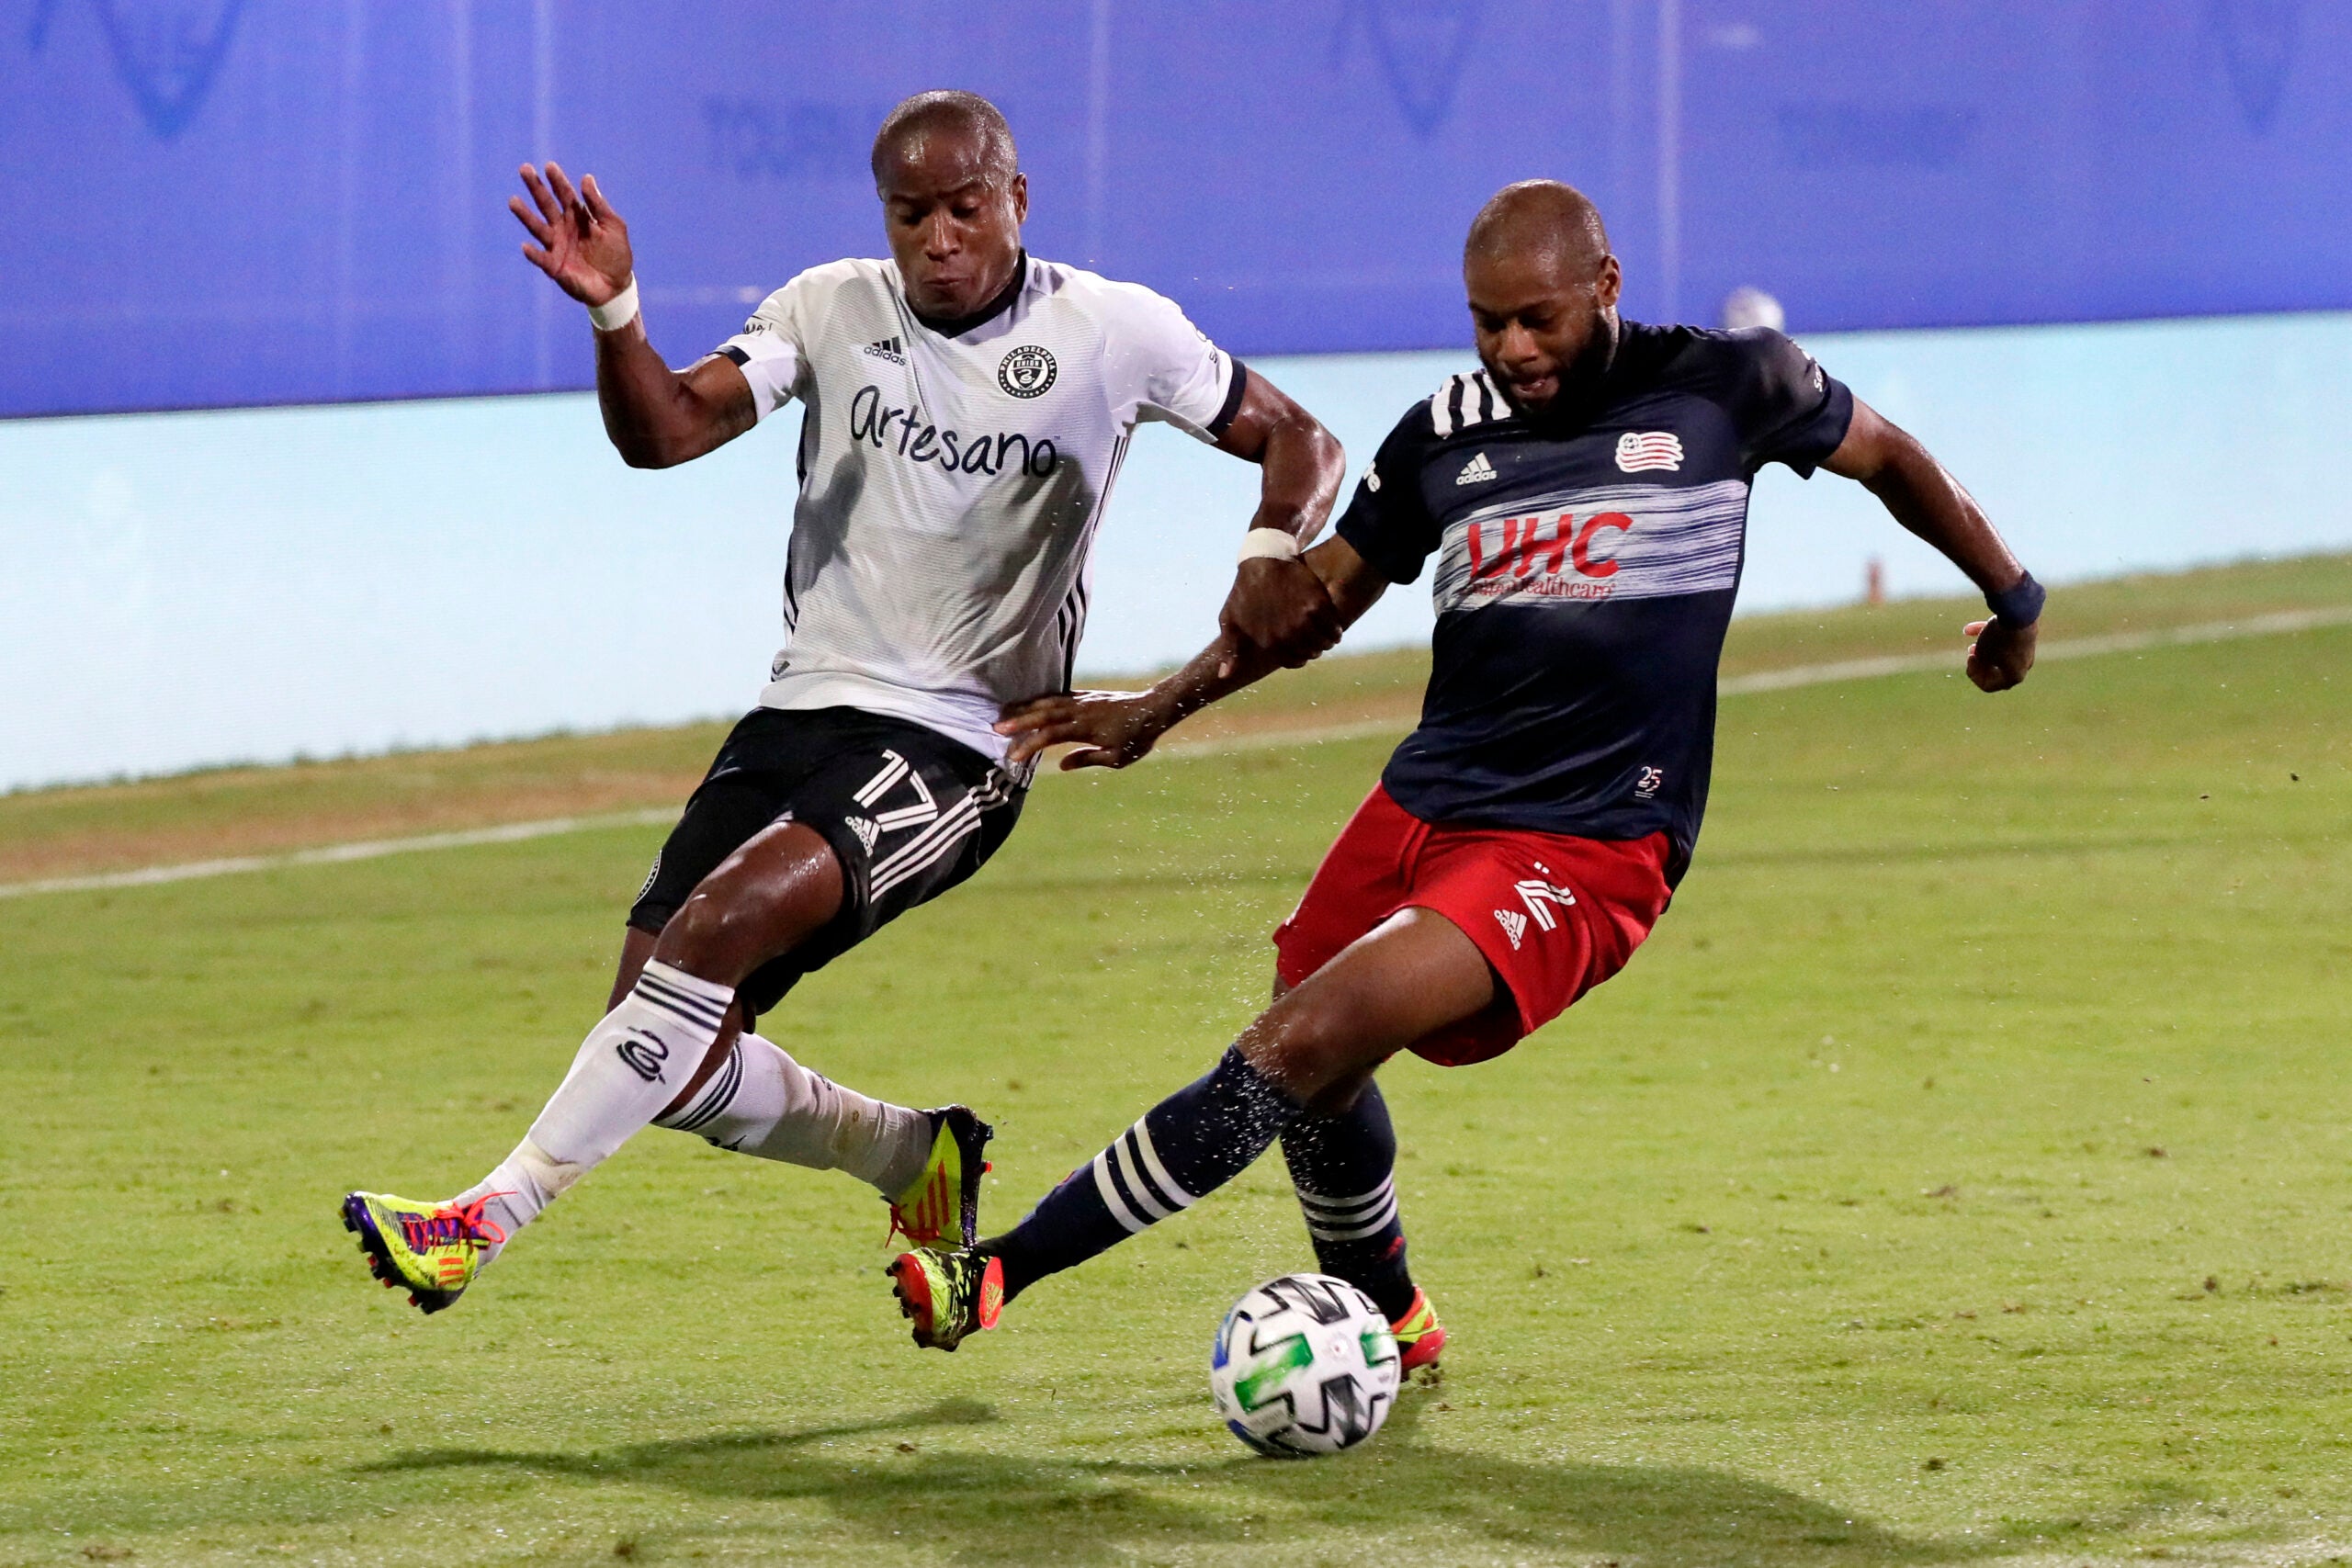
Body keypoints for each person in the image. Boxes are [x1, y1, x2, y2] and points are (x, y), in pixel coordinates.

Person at [884, 179, 2043, 1359]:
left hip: (1586, 842)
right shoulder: (1442, 432)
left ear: (1606, 288)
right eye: (1488, 321)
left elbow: (1891, 457)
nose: (1513, 349)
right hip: (1421, 804)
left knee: (1296, 1044)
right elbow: (1319, 603)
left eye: (1538, 318)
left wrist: (2012, 600)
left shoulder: (1729, 386)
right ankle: (1390, 1313)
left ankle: (1000, 1271)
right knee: (1314, 1066)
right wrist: (1156, 708)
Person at [340, 91, 1346, 1314]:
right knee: (659, 1044)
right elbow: (662, 433)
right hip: (798, 711)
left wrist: (1266, 553)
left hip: (966, 739)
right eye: (911, 212)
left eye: (965, 207)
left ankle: (480, 1218)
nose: (938, 236)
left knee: (711, 933)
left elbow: (1302, 439)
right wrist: (616, 311)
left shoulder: (1114, 330)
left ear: (1015, 201)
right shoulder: (829, 307)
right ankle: (907, 1152)